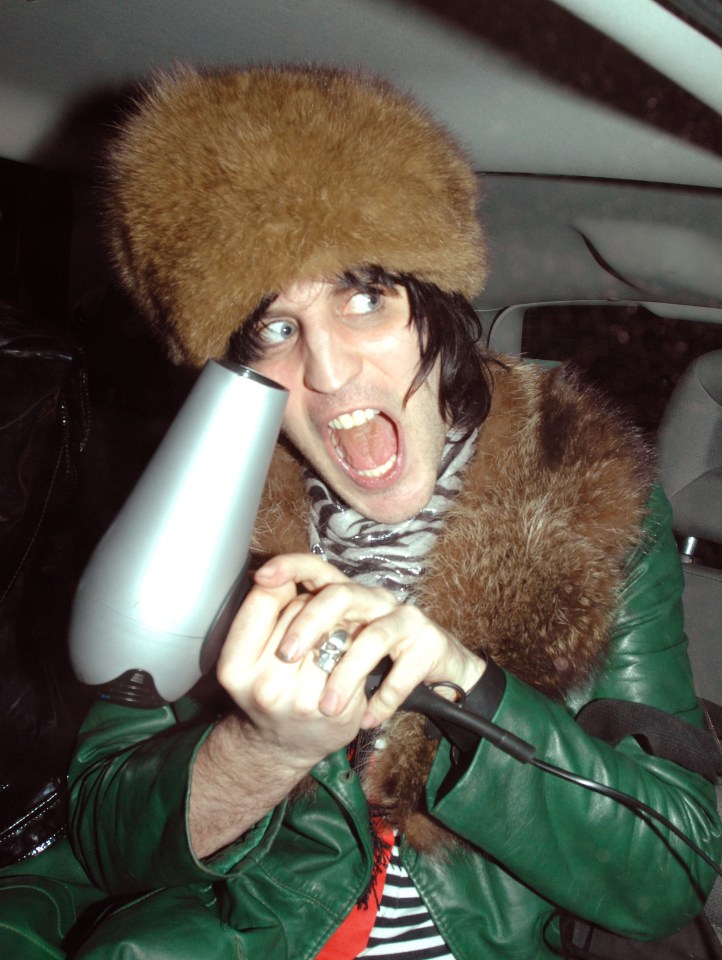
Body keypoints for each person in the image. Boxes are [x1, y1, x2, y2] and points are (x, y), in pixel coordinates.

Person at [2, 64, 720, 959]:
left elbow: (669, 873)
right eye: (275, 326)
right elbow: (104, 837)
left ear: (436, 306)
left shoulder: (590, 490)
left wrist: (467, 690)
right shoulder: (198, 512)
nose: (330, 372)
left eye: (365, 297)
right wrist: (265, 748)